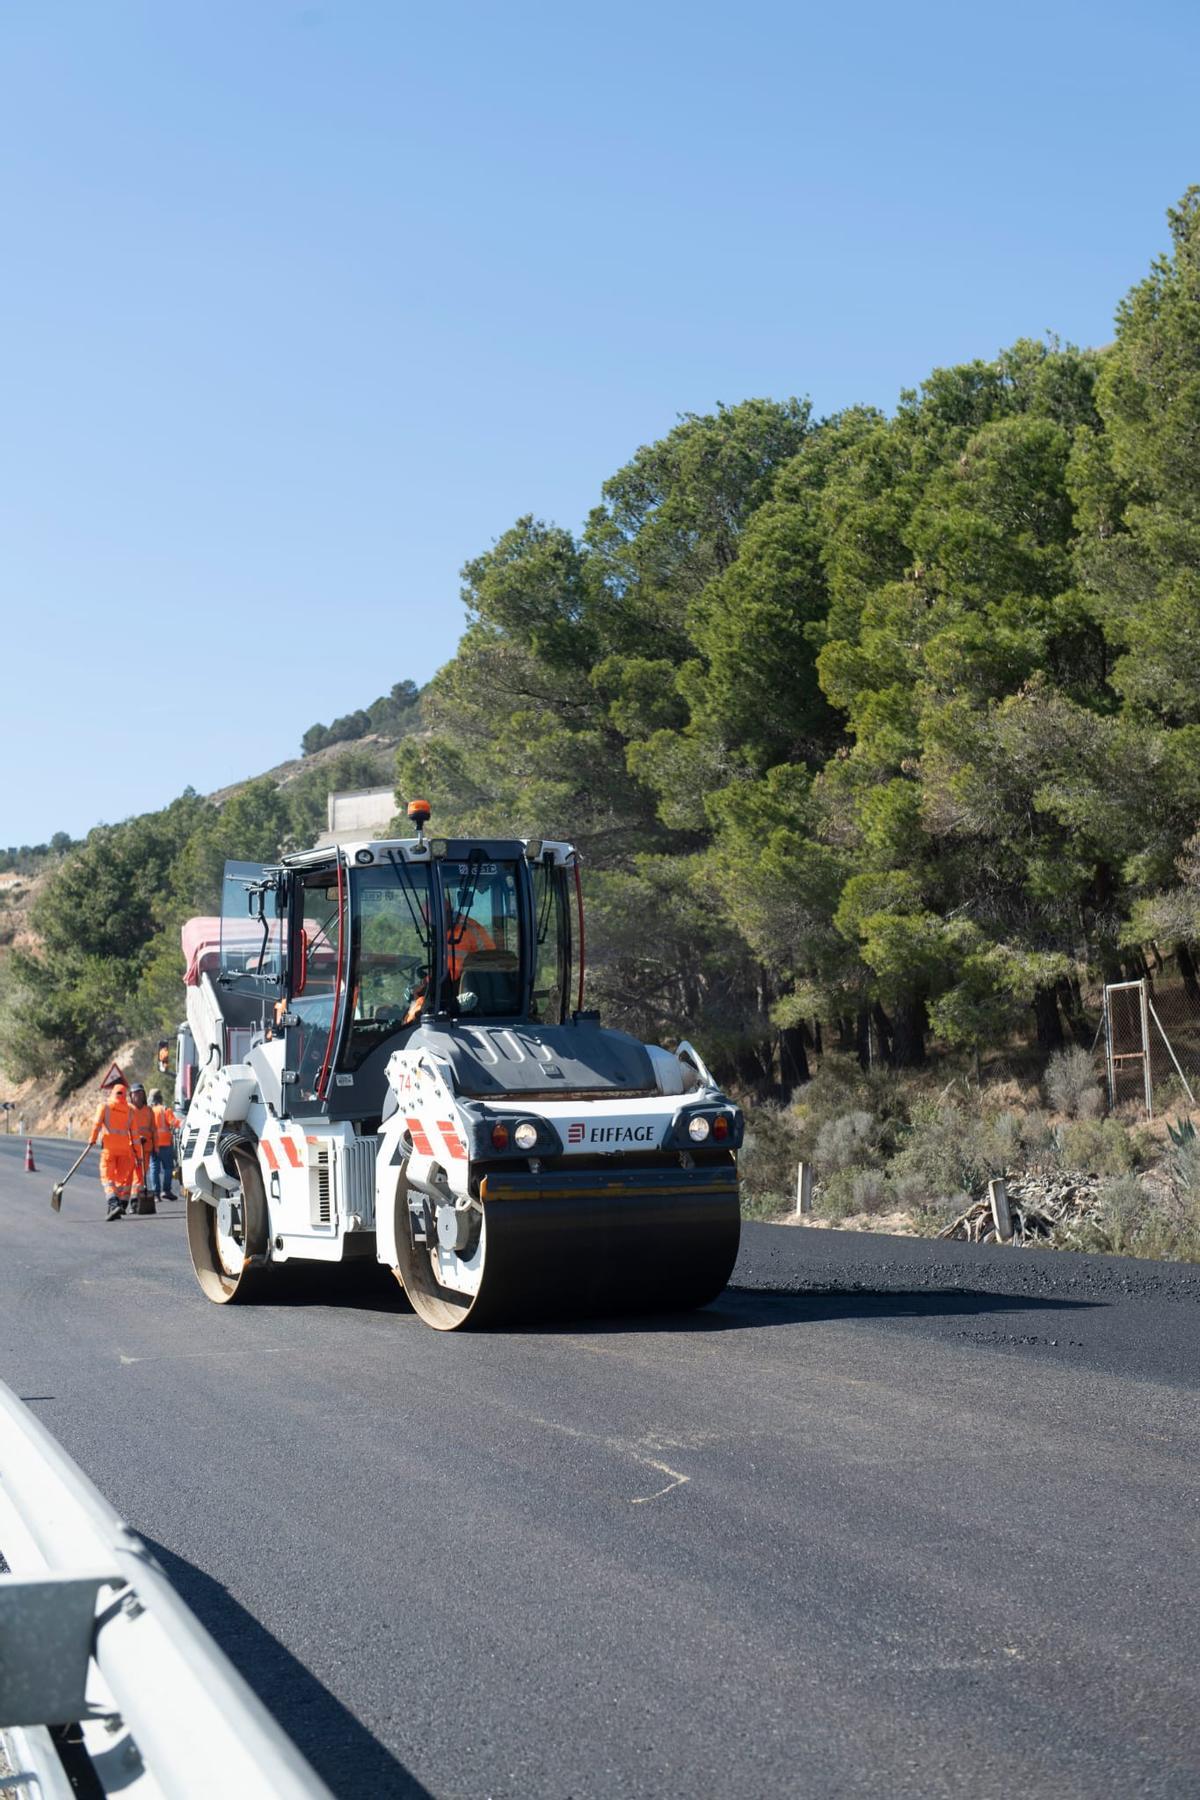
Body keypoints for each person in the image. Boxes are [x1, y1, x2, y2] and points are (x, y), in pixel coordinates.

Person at [88, 1084, 135, 1222]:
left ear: (113, 1093)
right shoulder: (130, 1110)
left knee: (107, 1178)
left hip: (109, 1150)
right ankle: (115, 1208)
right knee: (120, 1181)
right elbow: (135, 1135)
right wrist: (137, 1153)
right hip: (125, 1151)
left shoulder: (104, 1107)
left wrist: (92, 1139)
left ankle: (113, 1203)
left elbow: (96, 1124)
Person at [127, 1082, 157, 1214]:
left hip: (146, 1148)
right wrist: (136, 1139)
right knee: (133, 1176)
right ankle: (129, 1201)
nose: (138, 1096)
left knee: (140, 1176)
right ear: (131, 1096)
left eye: (140, 1093)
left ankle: (135, 1202)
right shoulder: (127, 1109)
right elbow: (125, 1129)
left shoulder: (149, 1110)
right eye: (135, 1093)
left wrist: (156, 1147)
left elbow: (154, 1130)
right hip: (131, 1148)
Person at [147, 1089, 181, 1201]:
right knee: (168, 1168)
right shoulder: (165, 1109)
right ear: (160, 1098)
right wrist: (183, 1122)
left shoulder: (148, 1111)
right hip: (165, 1144)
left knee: (154, 1168)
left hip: (152, 1144)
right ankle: (166, 1191)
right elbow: (174, 1123)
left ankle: (156, 1194)